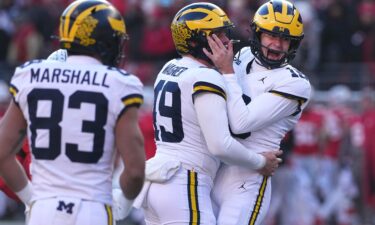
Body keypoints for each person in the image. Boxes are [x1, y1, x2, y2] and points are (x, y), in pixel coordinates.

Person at [132, 2, 282, 224]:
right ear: (195, 40)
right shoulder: (206, 76)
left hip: (158, 179)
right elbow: (220, 145)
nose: (225, 40)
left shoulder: (169, 67)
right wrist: (260, 162)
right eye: (217, 34)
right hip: (185, 181)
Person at [0, 0, 145, 224]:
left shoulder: (30, 75)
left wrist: (31, 199)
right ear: (106, 41)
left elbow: (2, 153)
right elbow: (135, 171)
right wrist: (124, 206)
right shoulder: (120, 83)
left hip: (44, 209)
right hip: (93, 208)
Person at [203, 0, 311, 224]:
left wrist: (226, 71)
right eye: (271, 35)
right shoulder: (242, 56)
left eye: (285, 39)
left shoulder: (295, 83)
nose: (277, 44)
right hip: (215, 167)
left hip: (249, 177)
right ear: (258, 34)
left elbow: (241, 123)